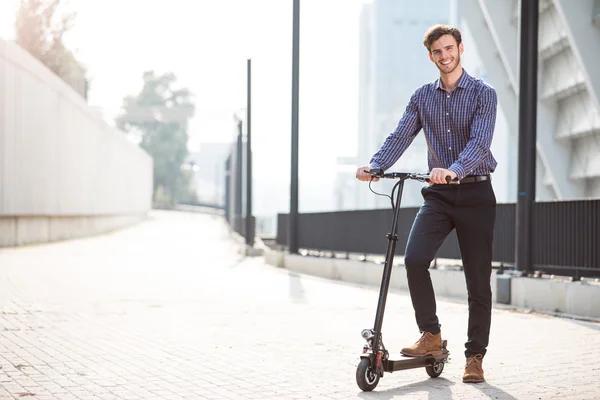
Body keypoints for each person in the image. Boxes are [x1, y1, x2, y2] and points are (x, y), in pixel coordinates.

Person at [355, 24, 498, 384]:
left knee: (477, 281)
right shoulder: (423, 96)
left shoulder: (484, 93)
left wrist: (454, 169)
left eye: (449, 48)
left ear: (460, 49)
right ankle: (430, 334)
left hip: (476, 193)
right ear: (431, 56)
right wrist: (377, 166)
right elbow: (401, 133)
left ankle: (474, 357)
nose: (444, 56)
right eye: (437, 51)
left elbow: (481, 142)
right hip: (439, 195)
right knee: (415, 259)